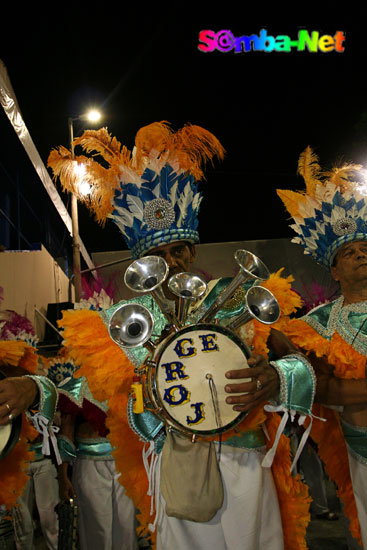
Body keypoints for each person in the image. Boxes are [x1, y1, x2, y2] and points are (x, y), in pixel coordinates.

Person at [49, 121, 317, 550]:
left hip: (245, 457)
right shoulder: (123, 320)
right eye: (157, 256)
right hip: (174, 463)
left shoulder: (236, 297)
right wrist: (35, 388)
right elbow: (84, 388)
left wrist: (277, 378)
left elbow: (298, 360)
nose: (170, 263)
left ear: (192, 251)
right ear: (139, 264)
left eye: (177, 251)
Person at [271, 146, 367, 548]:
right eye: (349, 253)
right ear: (333, 269)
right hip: (361, 451)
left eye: (365, 249)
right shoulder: (319, 323)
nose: (361, 254)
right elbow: (319, 387)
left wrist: (351, 392)